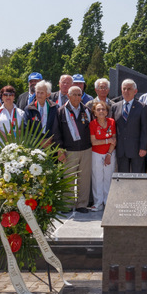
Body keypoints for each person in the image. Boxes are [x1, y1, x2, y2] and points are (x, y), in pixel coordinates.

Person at [54, 86, 93, 214]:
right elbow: (56, 132)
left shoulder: (86, 110)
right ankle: (67, 203)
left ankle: (82, 204)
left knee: (84, 178)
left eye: (79, 95)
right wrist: (60, 149)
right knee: (68, 178)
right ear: (68, 96)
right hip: (68, 150)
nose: (76, 97)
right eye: (74, 95)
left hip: (86, 149)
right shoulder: (61, 111)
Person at [111, 79, 147, 173]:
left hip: (137, 149)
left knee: (137, 176)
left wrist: (143, 147)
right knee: (123, 176)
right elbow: (112, 127)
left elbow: (145, 129)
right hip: (121, 149)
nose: (126, 91)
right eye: (124, 89)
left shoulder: (142, 107)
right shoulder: (115, 107)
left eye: (129, 89)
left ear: (135, 91)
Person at [89, 100, 116, 211]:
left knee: (108, 178)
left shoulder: (112, 122)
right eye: (98, 109)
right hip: (96, 154)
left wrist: (109, 154)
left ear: (107, 112)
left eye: (103, 109)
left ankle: (107, 201)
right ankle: (98, 202)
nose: (101, 111)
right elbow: (94, 142)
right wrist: (107, 140)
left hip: (110, 153)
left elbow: (114, 140)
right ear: (95, 112)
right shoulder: (92, 124)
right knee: (97, 178)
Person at [0, 85, 25, 152]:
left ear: (14, 97)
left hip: (15, 147)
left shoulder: (21, 113)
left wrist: (12, 140)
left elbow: (21, 129)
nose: (8, 97)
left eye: (11, 95)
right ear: (2, 97)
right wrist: (6, 138)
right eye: (5, 94)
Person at [23, 80, 58, 145]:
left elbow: (58, 128)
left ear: (48, 94)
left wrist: (51, 139)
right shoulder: (29, 109)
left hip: (51, 144)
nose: (39, 95)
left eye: (42, 93)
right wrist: (39, 142)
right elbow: (26, 130)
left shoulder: (55, 108)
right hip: (34, 145)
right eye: (37, 92)